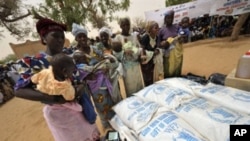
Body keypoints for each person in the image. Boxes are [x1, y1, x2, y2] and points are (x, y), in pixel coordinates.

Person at [14, 18, 100, 141]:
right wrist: (53, 98)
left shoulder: (68, 56)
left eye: (62, 37)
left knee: (91, 135)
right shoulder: (35, 62)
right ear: (44, 38)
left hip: (81, 107)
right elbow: (19, 90)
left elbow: (77, 77)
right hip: (60, 115)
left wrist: (80, 87)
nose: (60, 40)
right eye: (55, 36)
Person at [71, 23, 116, 132]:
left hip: (104, 80)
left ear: (87, 36)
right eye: (79, 36)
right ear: (76, 38)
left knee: (111, 101)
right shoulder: (76, 55)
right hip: (93, 85)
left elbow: (103, 59)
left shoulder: (94, 49)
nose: (82, 38)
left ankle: (115, 123)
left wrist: (105, 66)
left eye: (84, 36)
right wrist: (89, 74)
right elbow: (78, 71)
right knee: (101, 105)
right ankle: (106, 127)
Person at [114, 17, 145, 97]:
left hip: (136, 65)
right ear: (120, 26)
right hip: (127, 68)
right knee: (131, 88)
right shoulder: (118, 38)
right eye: (123, 25)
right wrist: (124, 52)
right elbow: (115, 53)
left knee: (139, 86)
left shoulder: (134, 36)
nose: (126, 27)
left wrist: (139, 53)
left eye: (127, 25)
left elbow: (138, 48)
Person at [158, 10, 184, 78]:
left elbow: (182, 35)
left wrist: (181, 39)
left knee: (177, 69)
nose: (170, 19)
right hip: (167, 54)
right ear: (165, 19)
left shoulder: (177, 27)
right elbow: (158, 44)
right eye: (168, 18)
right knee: (168, 70)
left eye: (171, 18)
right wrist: (163, 43)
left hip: (177, 53)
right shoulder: (161, 30)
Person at [140, 21, 163, 86]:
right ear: (150, 29)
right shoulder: (146, 37)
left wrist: (157, 50)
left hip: (153, 61)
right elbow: (142, 49)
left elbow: (157, 47)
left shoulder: (157, 37)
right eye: (155, 28)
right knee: (148, 79)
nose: (157, 29)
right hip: (146, 63)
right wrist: (152, 53)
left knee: (154, 77)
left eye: (158, 28)